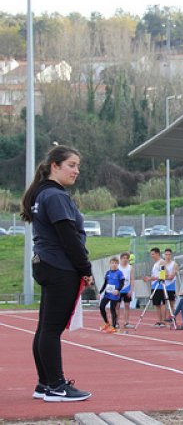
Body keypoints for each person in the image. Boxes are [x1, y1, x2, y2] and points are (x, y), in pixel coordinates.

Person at [22, 145, 93, 401]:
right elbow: (69, 238)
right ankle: (56, 386)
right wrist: (86, 269)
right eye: (71, 165)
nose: (77, 171)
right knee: (51, 330)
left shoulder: (42, 194)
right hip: (60, 267)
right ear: (55, 165)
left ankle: (45, 384)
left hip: (47, 264)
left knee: (45, 329)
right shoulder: (55, 196)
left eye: (78, 166)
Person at [143, 247, 169, 328]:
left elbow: (164, 274)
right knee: (156, 304)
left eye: (153, 254)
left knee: (162, 303)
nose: (152, 256)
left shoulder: (161, 262)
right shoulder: (155, 263)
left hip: (160, 286)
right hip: (154, 285)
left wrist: (150, 278)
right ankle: (159, 320)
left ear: (157, 253)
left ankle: (163, 321)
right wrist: (150, 278)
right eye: (151, 254)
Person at [98, 257, 125, 332]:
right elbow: (105, 283)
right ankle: (107, 323)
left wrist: (118, 290)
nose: (114, 264)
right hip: (107, 293)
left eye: (115, 263)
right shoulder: (108, 273)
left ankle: (113, 326)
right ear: (110, 264)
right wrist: (100, 292)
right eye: (112, 263)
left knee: (112, 309)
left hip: (115, 294)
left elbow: (122, 283)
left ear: (118, 264)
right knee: (101, 306)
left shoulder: (119, 273)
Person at [118, 252, 135, 329]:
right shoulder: (117, 267)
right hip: (118, 290)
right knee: (117, 306)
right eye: (123, 258)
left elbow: (132, 279)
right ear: (121, 259)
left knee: (127, 306)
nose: (125, 260)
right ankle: (116, 322)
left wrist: (131, 290)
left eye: (126, 258)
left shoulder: (130, 268)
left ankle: (126, 322)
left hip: (127, 289)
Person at [162, 248, 179, 319]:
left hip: (171, 286)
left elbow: (171, 276)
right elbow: (161, 276)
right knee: (163, 304)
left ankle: (171, 317)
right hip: (163, 286)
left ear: (171, 255)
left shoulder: (174, 264)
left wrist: (166, 276)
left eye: (169, 254)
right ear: (164, 255)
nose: (168, 256)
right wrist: (166, 276)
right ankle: (163, 319)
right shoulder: (162, 263)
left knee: (171, 303)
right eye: (166, 255)